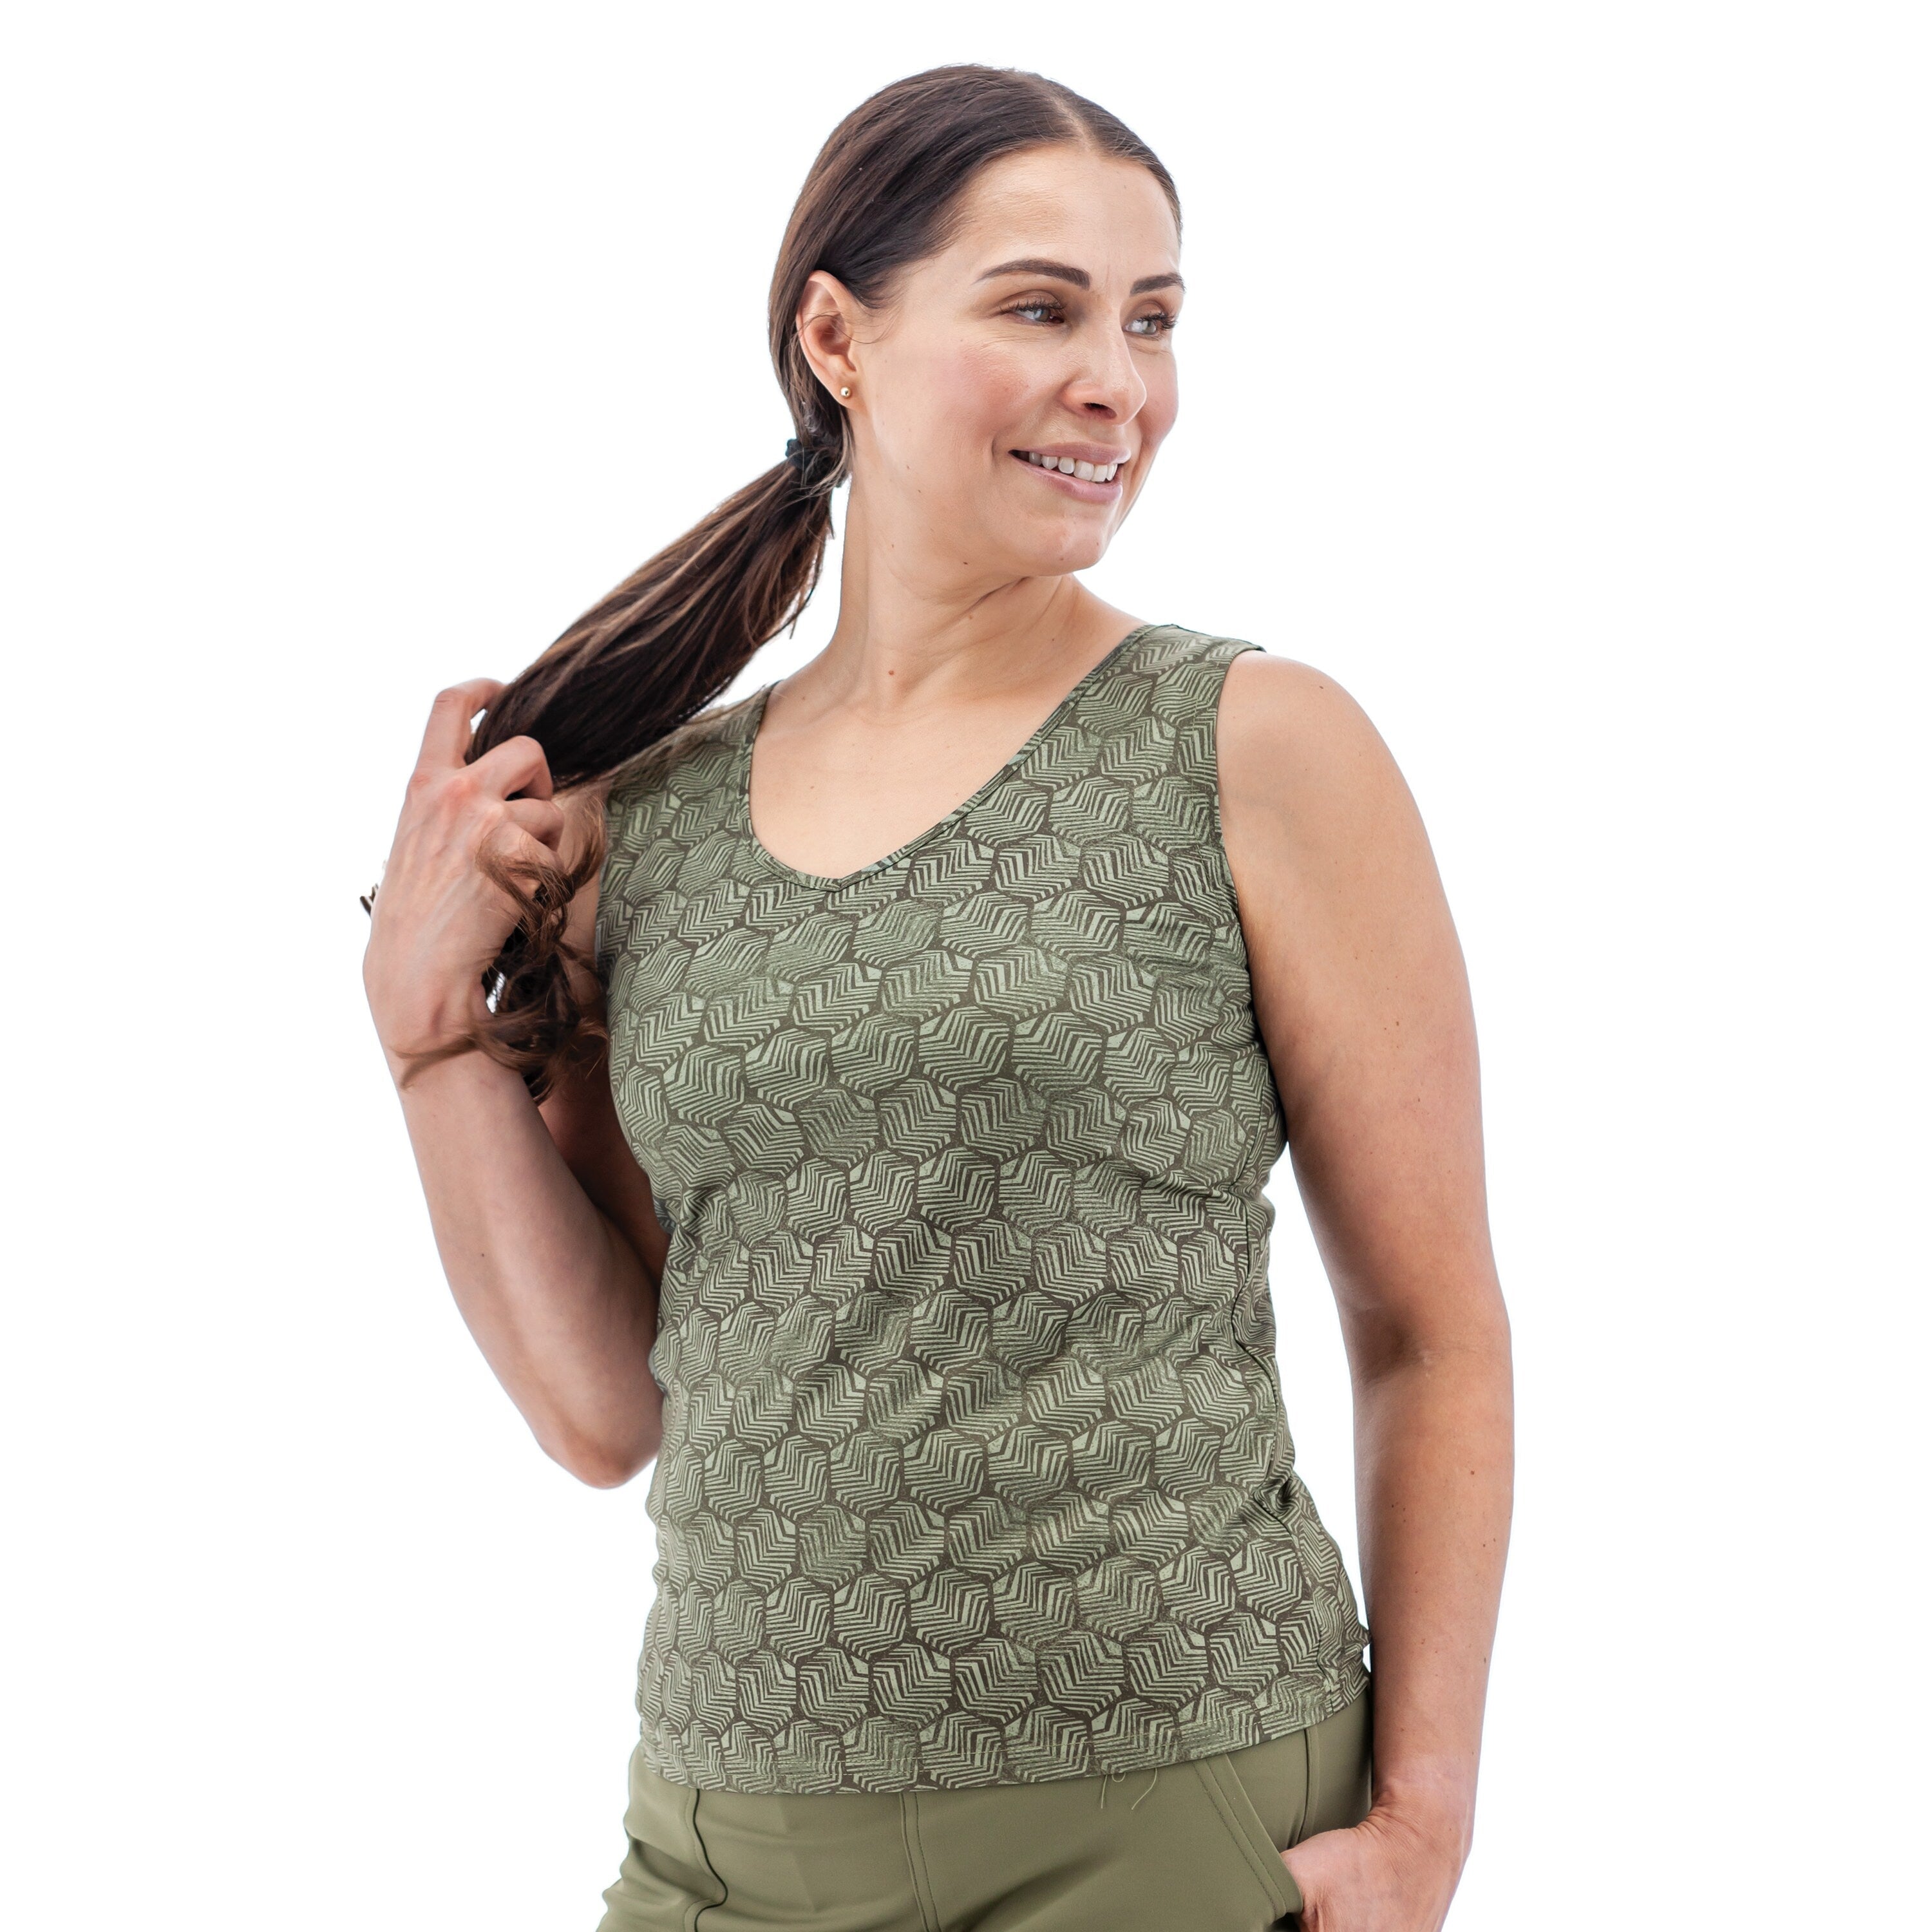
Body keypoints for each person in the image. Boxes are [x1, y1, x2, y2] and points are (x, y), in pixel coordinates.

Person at [361, 63, 1513, 1932]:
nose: (1118, 383)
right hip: (720, 1838)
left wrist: (1425, 1826)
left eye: (1152, 321)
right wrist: (429, 1040)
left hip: (1167, 1821)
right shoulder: (646, 820)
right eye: (1042, 309)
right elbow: (604, 1411)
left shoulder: (1255, 746)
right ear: (839, 339)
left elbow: (1429, 1327)